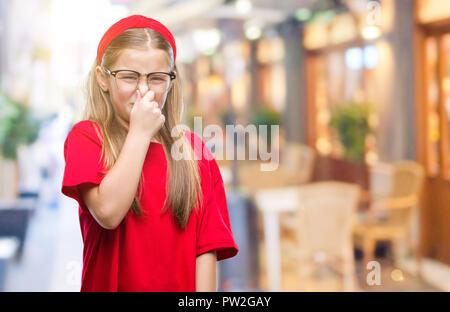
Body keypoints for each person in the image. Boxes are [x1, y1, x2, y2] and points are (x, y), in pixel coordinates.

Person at [61, 15, 238, 292]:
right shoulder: (87, 138)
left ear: (171, 81)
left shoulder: (194, 153)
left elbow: (206, 250)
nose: (144, 91)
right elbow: (107, 213)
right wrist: (140, 133)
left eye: (156, 78)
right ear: (103, 79)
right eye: (129, 77)